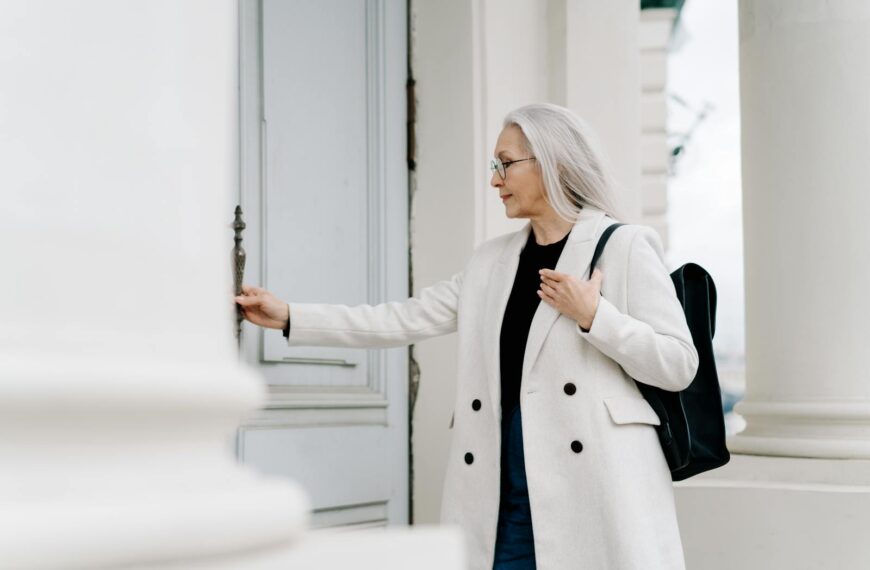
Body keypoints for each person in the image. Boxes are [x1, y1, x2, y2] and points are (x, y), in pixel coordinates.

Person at [234, 103, 699, 570]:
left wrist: (596, 316)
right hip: (502, 489)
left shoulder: (623, 246)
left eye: (505, 164)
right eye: (494, 166)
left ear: (553, 162)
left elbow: (677, 364)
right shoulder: (490, 262)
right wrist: (291, 316)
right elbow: (401, 319)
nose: (495, 180)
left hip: (592, 493)